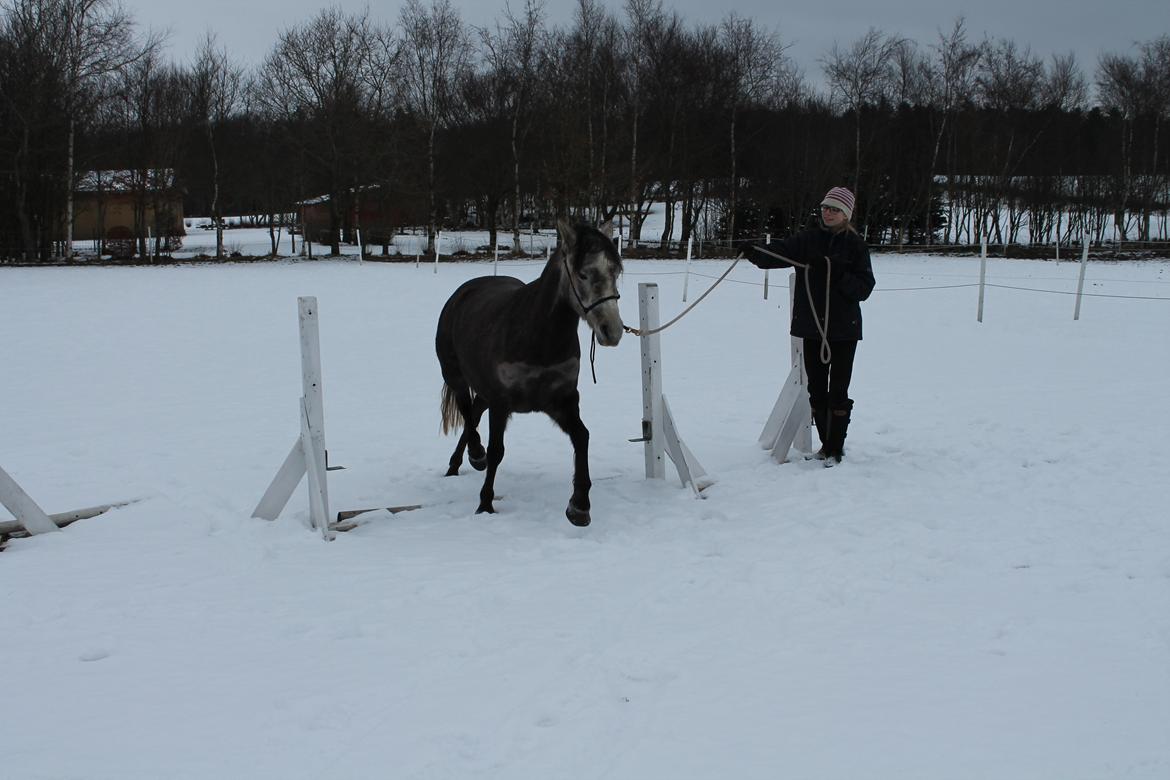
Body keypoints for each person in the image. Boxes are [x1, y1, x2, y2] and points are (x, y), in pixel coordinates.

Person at [740, 187, 876, 463]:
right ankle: (826, 446)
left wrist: (837, 274)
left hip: (843, 329)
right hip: (811, 326)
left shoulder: (856, 246)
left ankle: (834, 448)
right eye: (825, 207)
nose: (828, 212)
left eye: (834, 209)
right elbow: (780, 252)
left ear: (845, 214)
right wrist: (755, 252)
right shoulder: (808, 240)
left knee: (838, 389)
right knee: (816, 388)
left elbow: (864, 287)